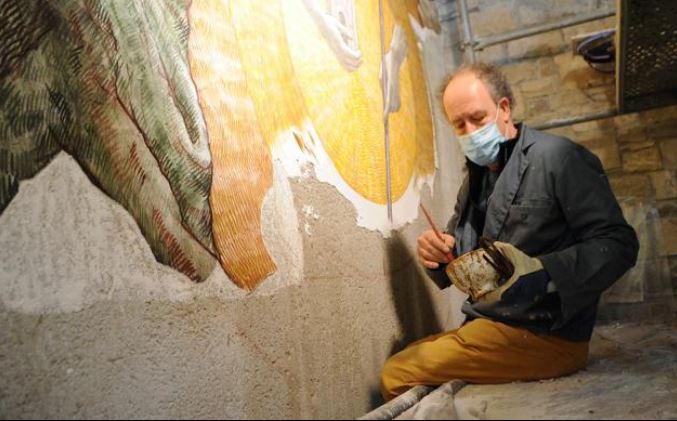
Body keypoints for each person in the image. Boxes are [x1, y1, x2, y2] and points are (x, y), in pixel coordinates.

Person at [380, 62, 639, 401]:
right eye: (459, 125)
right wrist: (440, 256)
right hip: (492, 322)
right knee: (409, 354)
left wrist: (545, 275)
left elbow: (619, 243)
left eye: (477, 118)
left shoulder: (558, 158)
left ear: (504, 108)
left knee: (396, 374)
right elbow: (462, 261)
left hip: (546, 334)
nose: (470, 131)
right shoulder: (473, 181)